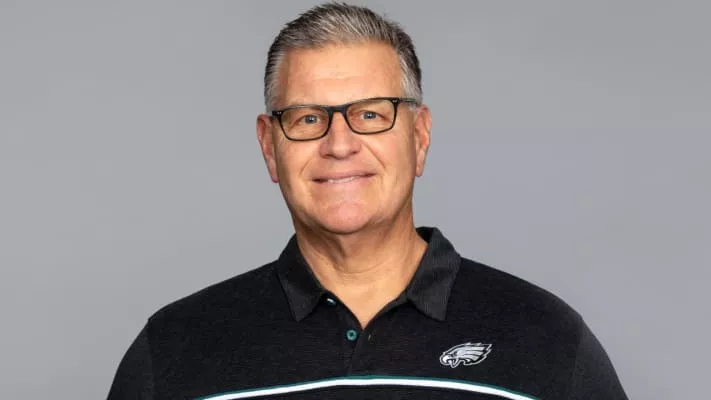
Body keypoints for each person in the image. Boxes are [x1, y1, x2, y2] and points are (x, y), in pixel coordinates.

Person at [107, 3, 628, 399]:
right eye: (308, 118)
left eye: (371, 115)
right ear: (269, 147)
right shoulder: (173, 349)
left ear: (419, 136)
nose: (339, 144)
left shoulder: (547, 339)